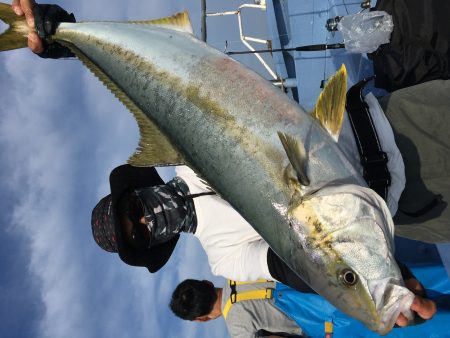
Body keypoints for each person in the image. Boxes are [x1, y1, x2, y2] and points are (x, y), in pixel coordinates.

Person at [10, 0, 441, 328]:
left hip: (398, 124)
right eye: (141, 235)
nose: (147, 221)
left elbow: (162, 81)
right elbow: (297, 266)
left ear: (139, 192)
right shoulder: (224, 257)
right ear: (154, 245)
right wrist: (378, 276)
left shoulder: (181, 151)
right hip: (405, 211)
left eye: (133, 212)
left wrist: (65, 37)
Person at [170, 277, 439, 338]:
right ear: (206, 282)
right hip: (337, 283)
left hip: (336, 324)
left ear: (202, 319)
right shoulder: (237, 270)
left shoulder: (238, 329)